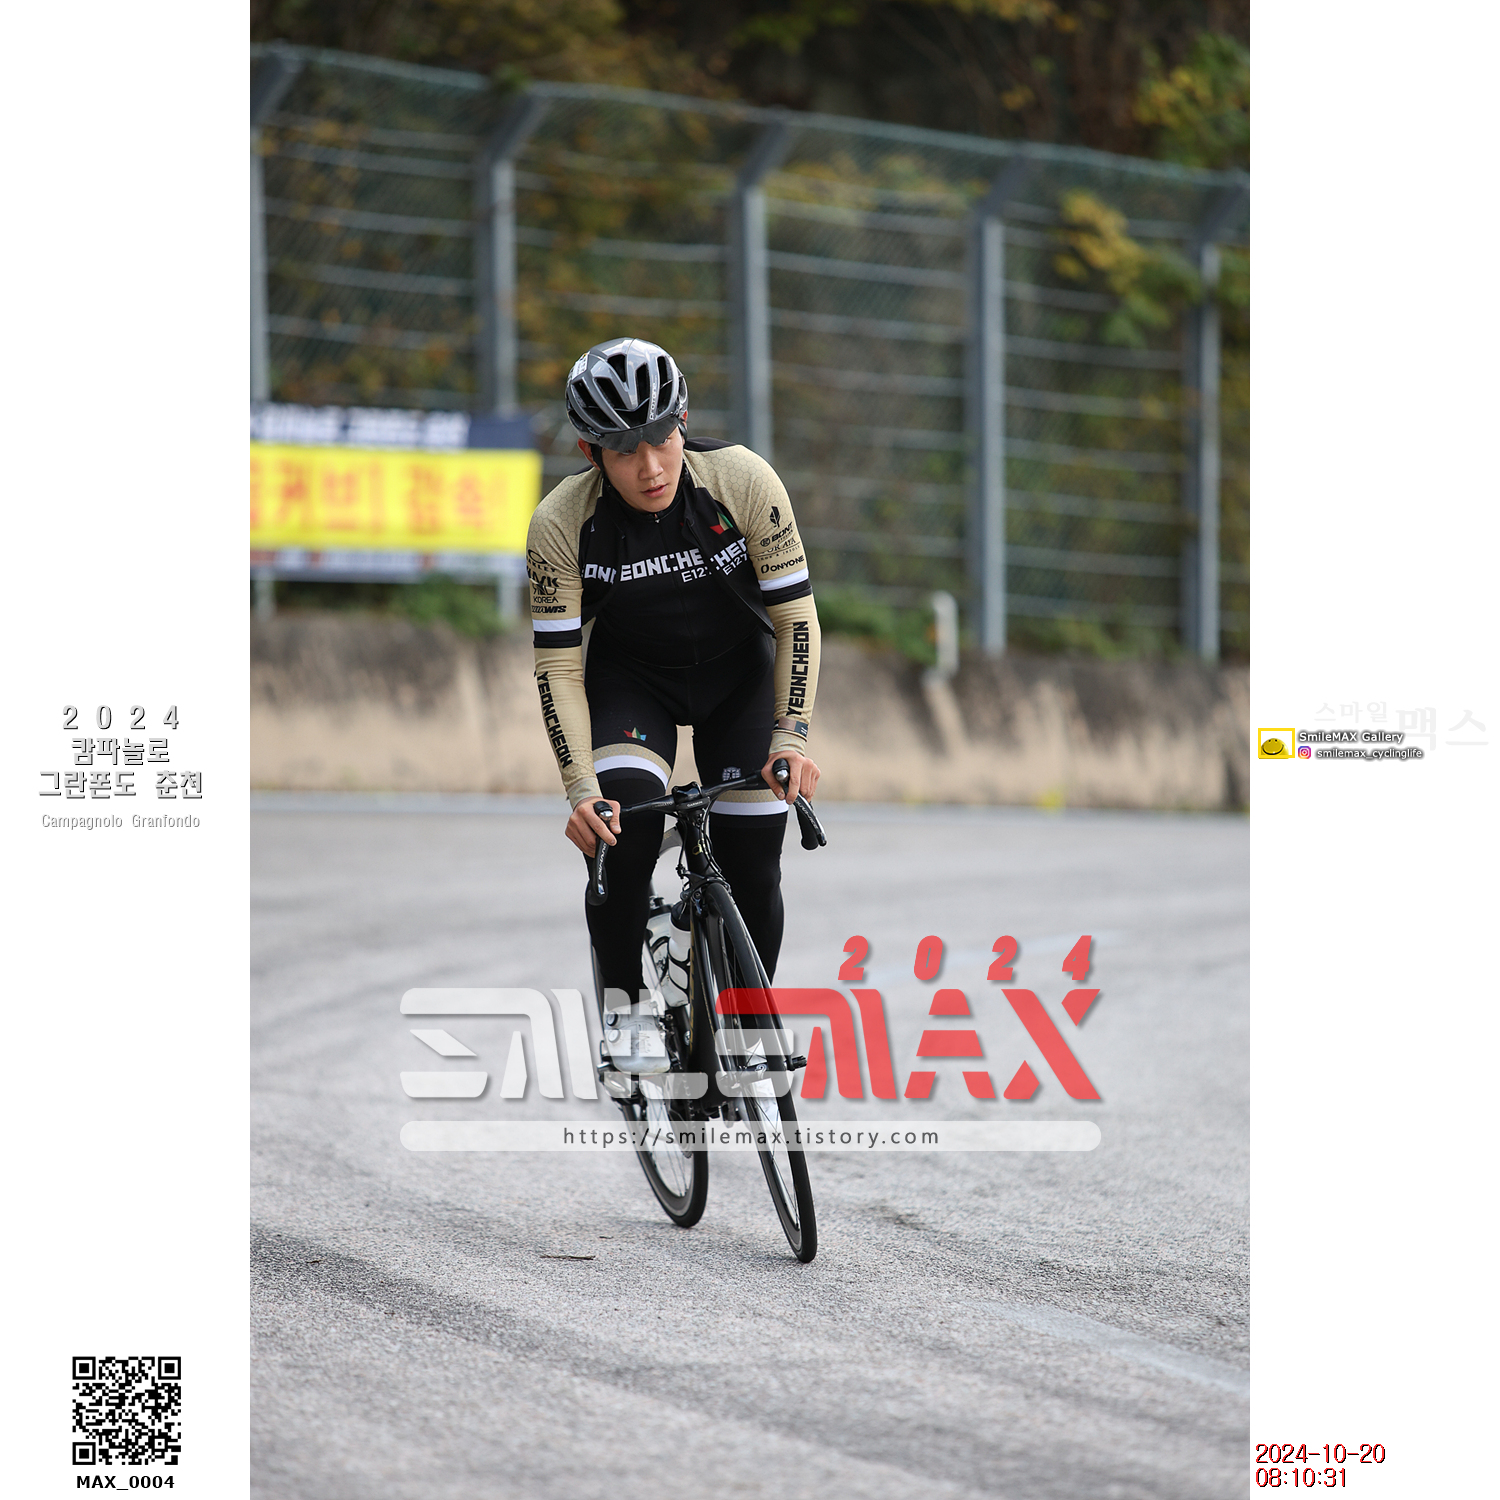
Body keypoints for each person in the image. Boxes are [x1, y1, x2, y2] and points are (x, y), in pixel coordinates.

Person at [526, 336, 821, 1002]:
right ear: (591, 454)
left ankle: (746, 1027)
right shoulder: (561, 523)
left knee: (754, 864)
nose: (651, 467)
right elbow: (558, 668)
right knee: (621, 838)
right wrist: (580, 790)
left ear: (683, 421)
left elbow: (796, 620)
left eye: (662, 439)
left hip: (740, 680)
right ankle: (625, 1009)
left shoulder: (742, 480)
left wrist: (791, 737)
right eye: (624, 450)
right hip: (632, 686)